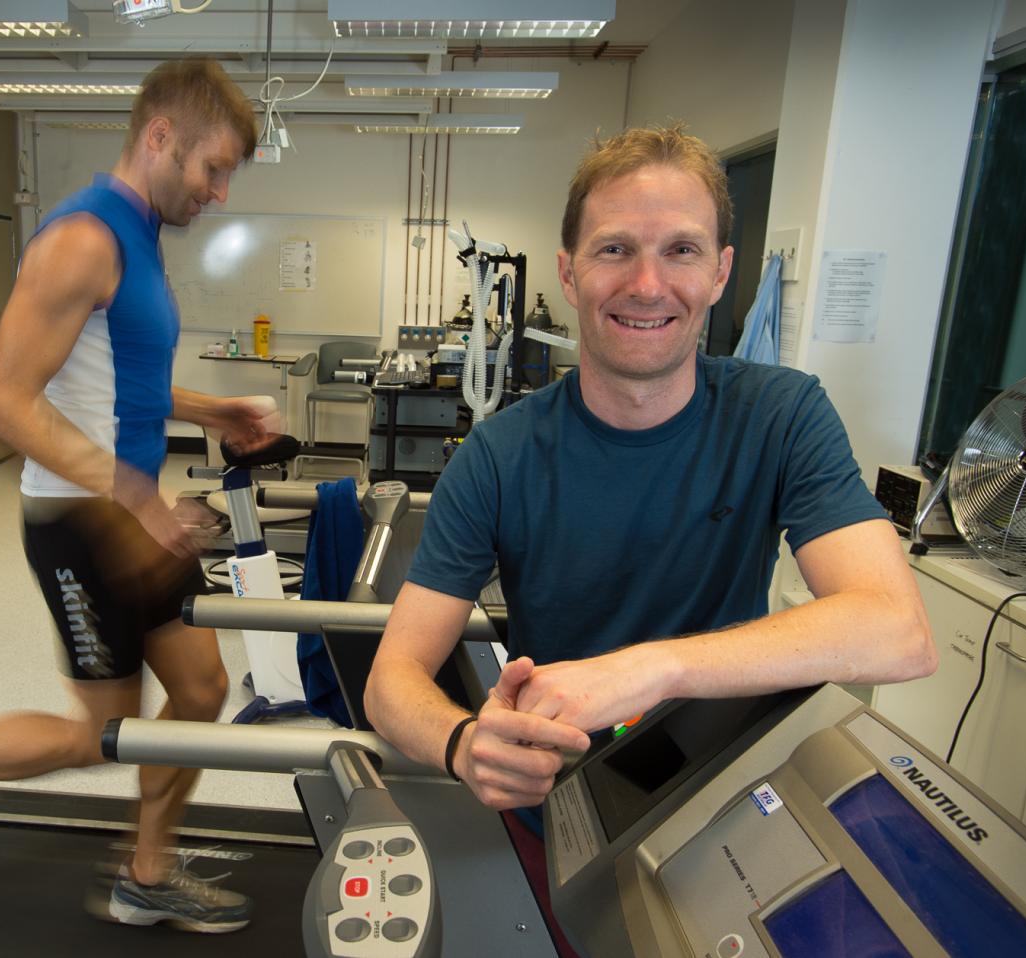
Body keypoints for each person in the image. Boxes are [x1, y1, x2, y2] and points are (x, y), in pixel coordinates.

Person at [364, 124, 936, 826]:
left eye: (681, 250)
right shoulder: (498, 456)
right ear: (569, 273)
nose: (646, 285)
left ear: (720, 273)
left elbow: (898, 631)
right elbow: (391, 681)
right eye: (615, 249)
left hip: (724, 805)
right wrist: (461, 743)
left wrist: (651, 670)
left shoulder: (780, 415)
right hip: (565, 808)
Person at [0, 58, 273, 934]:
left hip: (131, 516)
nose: (219, 192)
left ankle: (147, 874)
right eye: (212, 168)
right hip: (80, 522)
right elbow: (4, 402)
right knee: (98, 733)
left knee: (200, 691)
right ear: (160, 138)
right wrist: (133, 495)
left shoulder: (138, 234)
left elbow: (116, 383)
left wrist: (210, 409)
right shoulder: (83, 239)